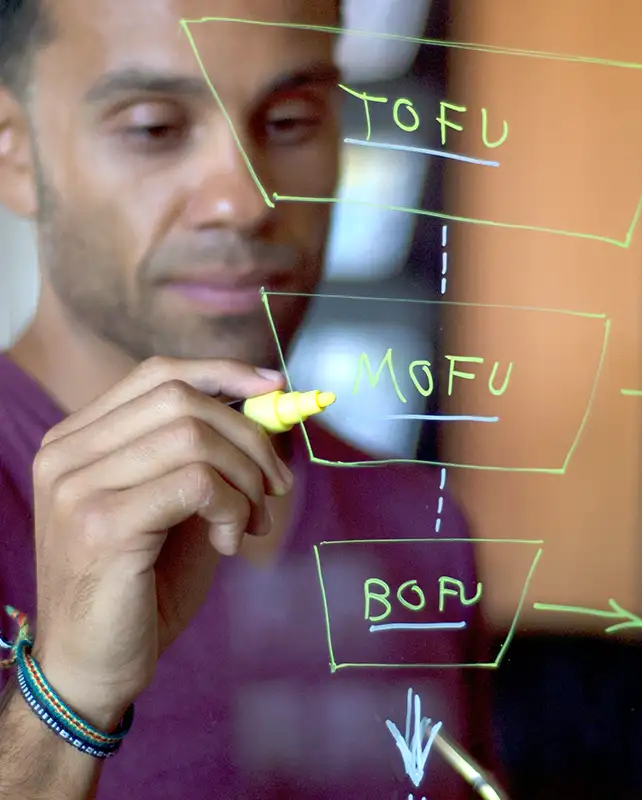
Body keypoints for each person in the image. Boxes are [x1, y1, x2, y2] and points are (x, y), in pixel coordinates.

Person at [0, 0, 494, 797]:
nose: (245, 201)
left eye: (294, 118)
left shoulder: (418, 523)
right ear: (14, 154)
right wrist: (67, 702)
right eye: (156, 128)